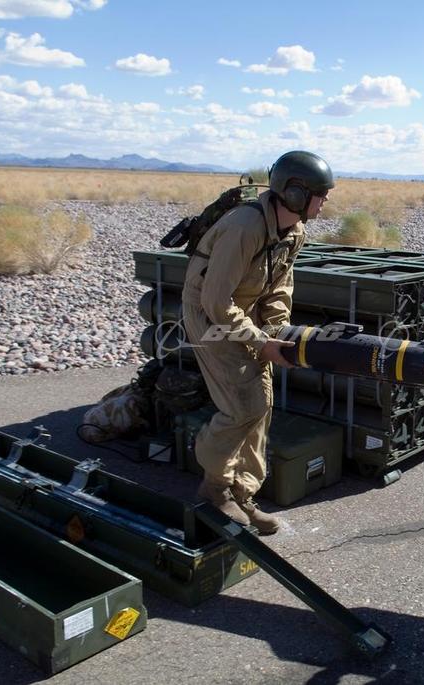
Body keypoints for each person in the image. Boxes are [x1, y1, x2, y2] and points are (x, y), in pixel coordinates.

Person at [181, 150, 334, 534]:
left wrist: (277, 331)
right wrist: (259, 342)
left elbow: (280, 286)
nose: (325, 202)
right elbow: (215, 302)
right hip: (209, 316)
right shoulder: (244, 227)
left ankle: (242, 493)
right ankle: (215, 487)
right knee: (243, 406)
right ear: (295, 193)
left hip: (243, 313)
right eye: (320, 194)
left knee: (261, 405)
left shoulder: (294, 231)